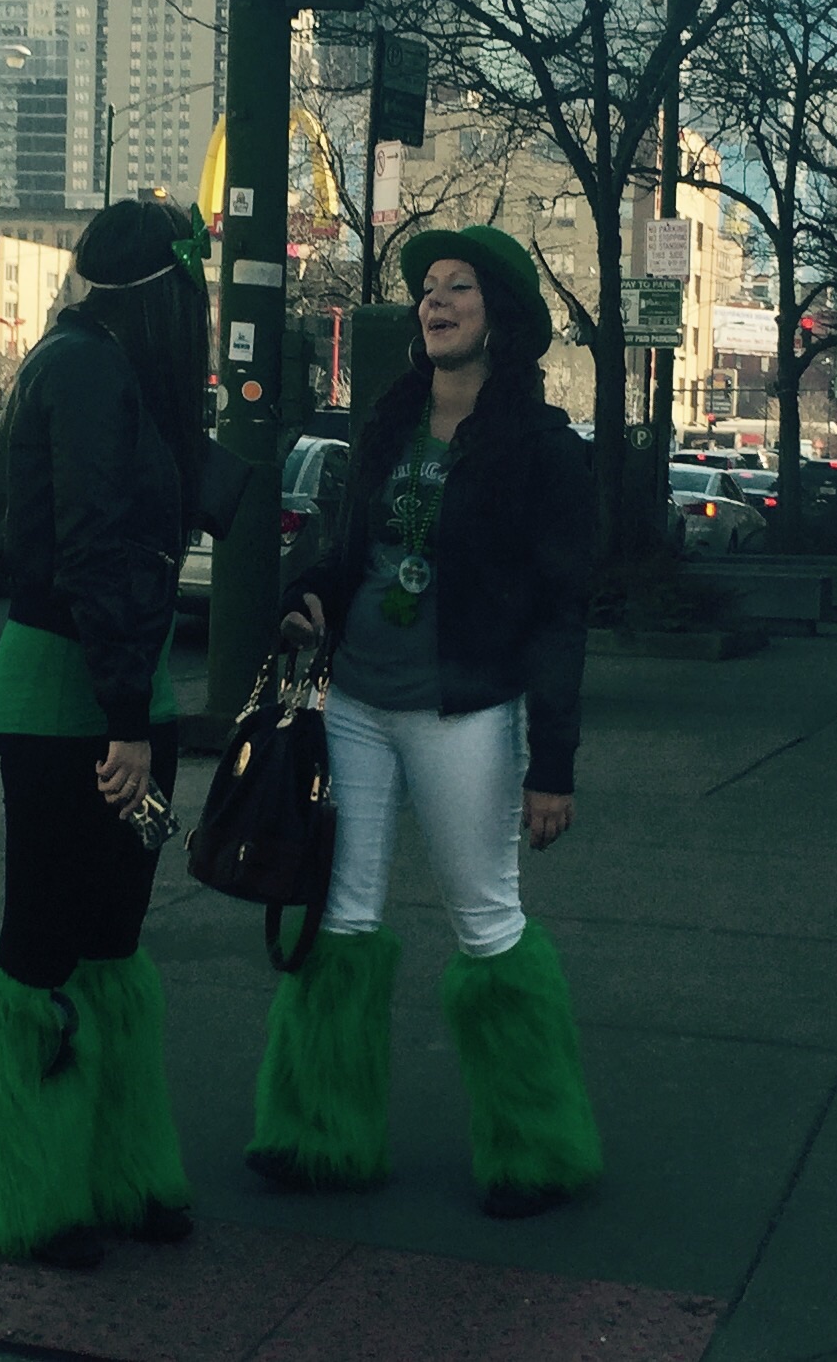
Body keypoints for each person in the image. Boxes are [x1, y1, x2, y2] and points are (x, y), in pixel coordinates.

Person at [255, 225, 602, 1220]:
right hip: (356, 705)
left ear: (502, 317)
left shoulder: (542, 449)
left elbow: (560, 614)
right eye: (428, 289)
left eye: (458, 287)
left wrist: (552, 762)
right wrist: (307, 596)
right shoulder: (388, 421)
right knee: (341, 916)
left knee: (487, 923)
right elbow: (346, 553)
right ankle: (318, 1134)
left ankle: (534, 1151)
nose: (435, 301)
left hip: (468, 714)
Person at [0, 196, 217, 1271]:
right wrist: (126, 723)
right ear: (163, 295)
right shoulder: (92, 373)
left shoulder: (91, 367)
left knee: (108, 942)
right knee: (46, 945)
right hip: (76, 708)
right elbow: (96, 549)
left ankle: (106, 1173)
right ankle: (28, 1194)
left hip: (108, 699)